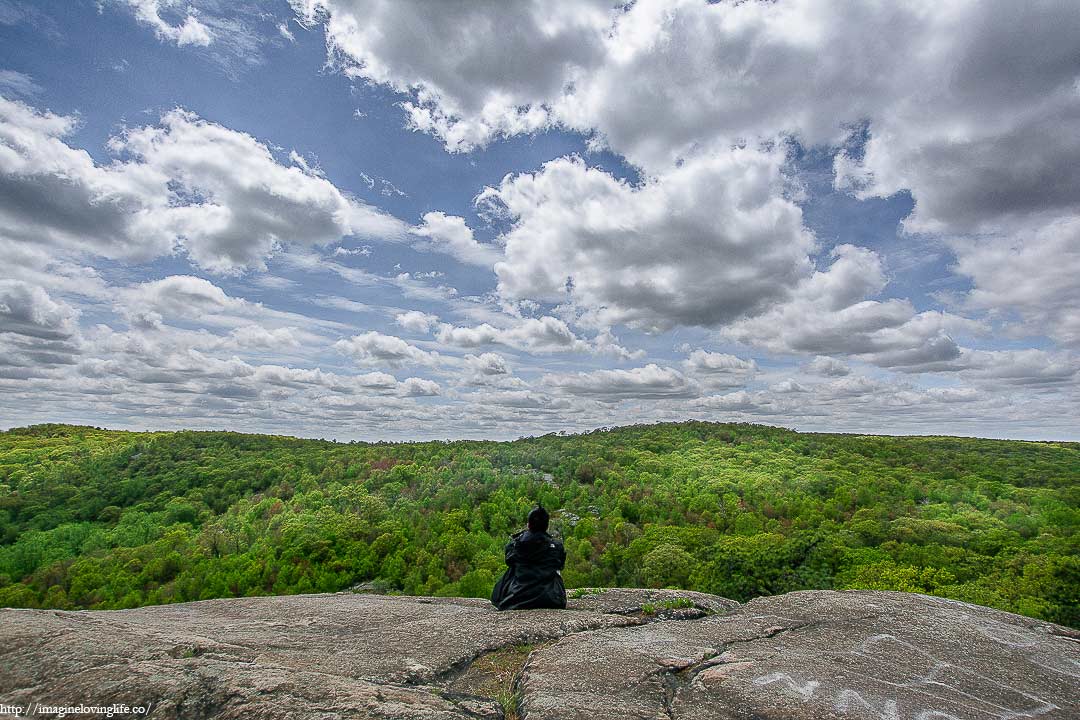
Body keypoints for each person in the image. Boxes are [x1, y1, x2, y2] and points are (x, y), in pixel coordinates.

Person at [491, 504, 566, 610]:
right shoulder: (557, 547)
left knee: (512, 568)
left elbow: (509, 561)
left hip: (517, 598)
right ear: (547, 526)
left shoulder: (515, 546)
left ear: (529, 525)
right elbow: (560, 565)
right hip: (552, 599)